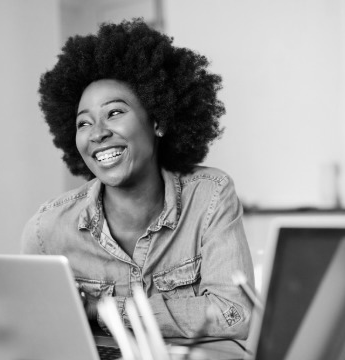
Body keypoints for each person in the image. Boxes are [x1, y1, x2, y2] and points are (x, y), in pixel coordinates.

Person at [21, 19, 254, 339]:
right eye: (83, 123)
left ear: (157, 120)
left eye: (114, 112)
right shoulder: (45, 230)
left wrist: (102, 310)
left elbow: (234, 313)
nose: (98, 133)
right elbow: (33, 332)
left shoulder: (210, 197)